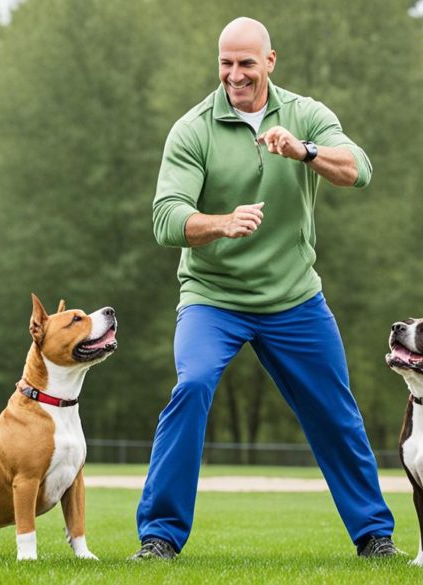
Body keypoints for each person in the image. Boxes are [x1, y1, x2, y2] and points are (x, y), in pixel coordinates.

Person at [131, 16, 397, 560]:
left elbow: (359, 170)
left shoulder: (306, 115)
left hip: (293, 299)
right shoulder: (193, 129)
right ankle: (160, 535)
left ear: (269, 63)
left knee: (335, 409)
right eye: (226, 64)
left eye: (246, 63)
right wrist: (221, 223)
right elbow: (165, 219)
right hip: (213, 299)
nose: (235, 75)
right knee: (194, 385)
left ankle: (374, 535)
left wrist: (304, 152)